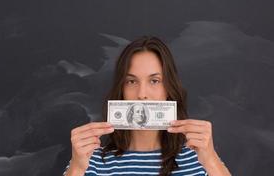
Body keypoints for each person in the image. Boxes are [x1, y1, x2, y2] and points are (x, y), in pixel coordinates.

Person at [63, 36, 231, 176]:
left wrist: (211, 160)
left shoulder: (200, 159)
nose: (142, 94)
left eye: (154, 81)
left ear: (169, 89)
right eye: (131, 81)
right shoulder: (89, 161)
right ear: (121, 90)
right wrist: (77, 168)